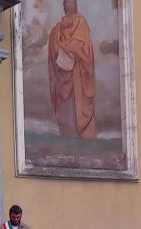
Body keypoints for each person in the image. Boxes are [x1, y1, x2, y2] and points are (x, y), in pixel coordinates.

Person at [47, 0, 96, 139]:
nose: (69, 5)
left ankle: (82, 134)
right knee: (66, 107)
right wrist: (63, 48)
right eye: (66, 2)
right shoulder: (57, 29)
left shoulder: (80, 22)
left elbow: (82, 46)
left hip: (78, 75)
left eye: (71, 2)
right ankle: (69, 133)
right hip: (63, 73)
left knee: (77, 101)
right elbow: (54, 47)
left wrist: (69, 47)